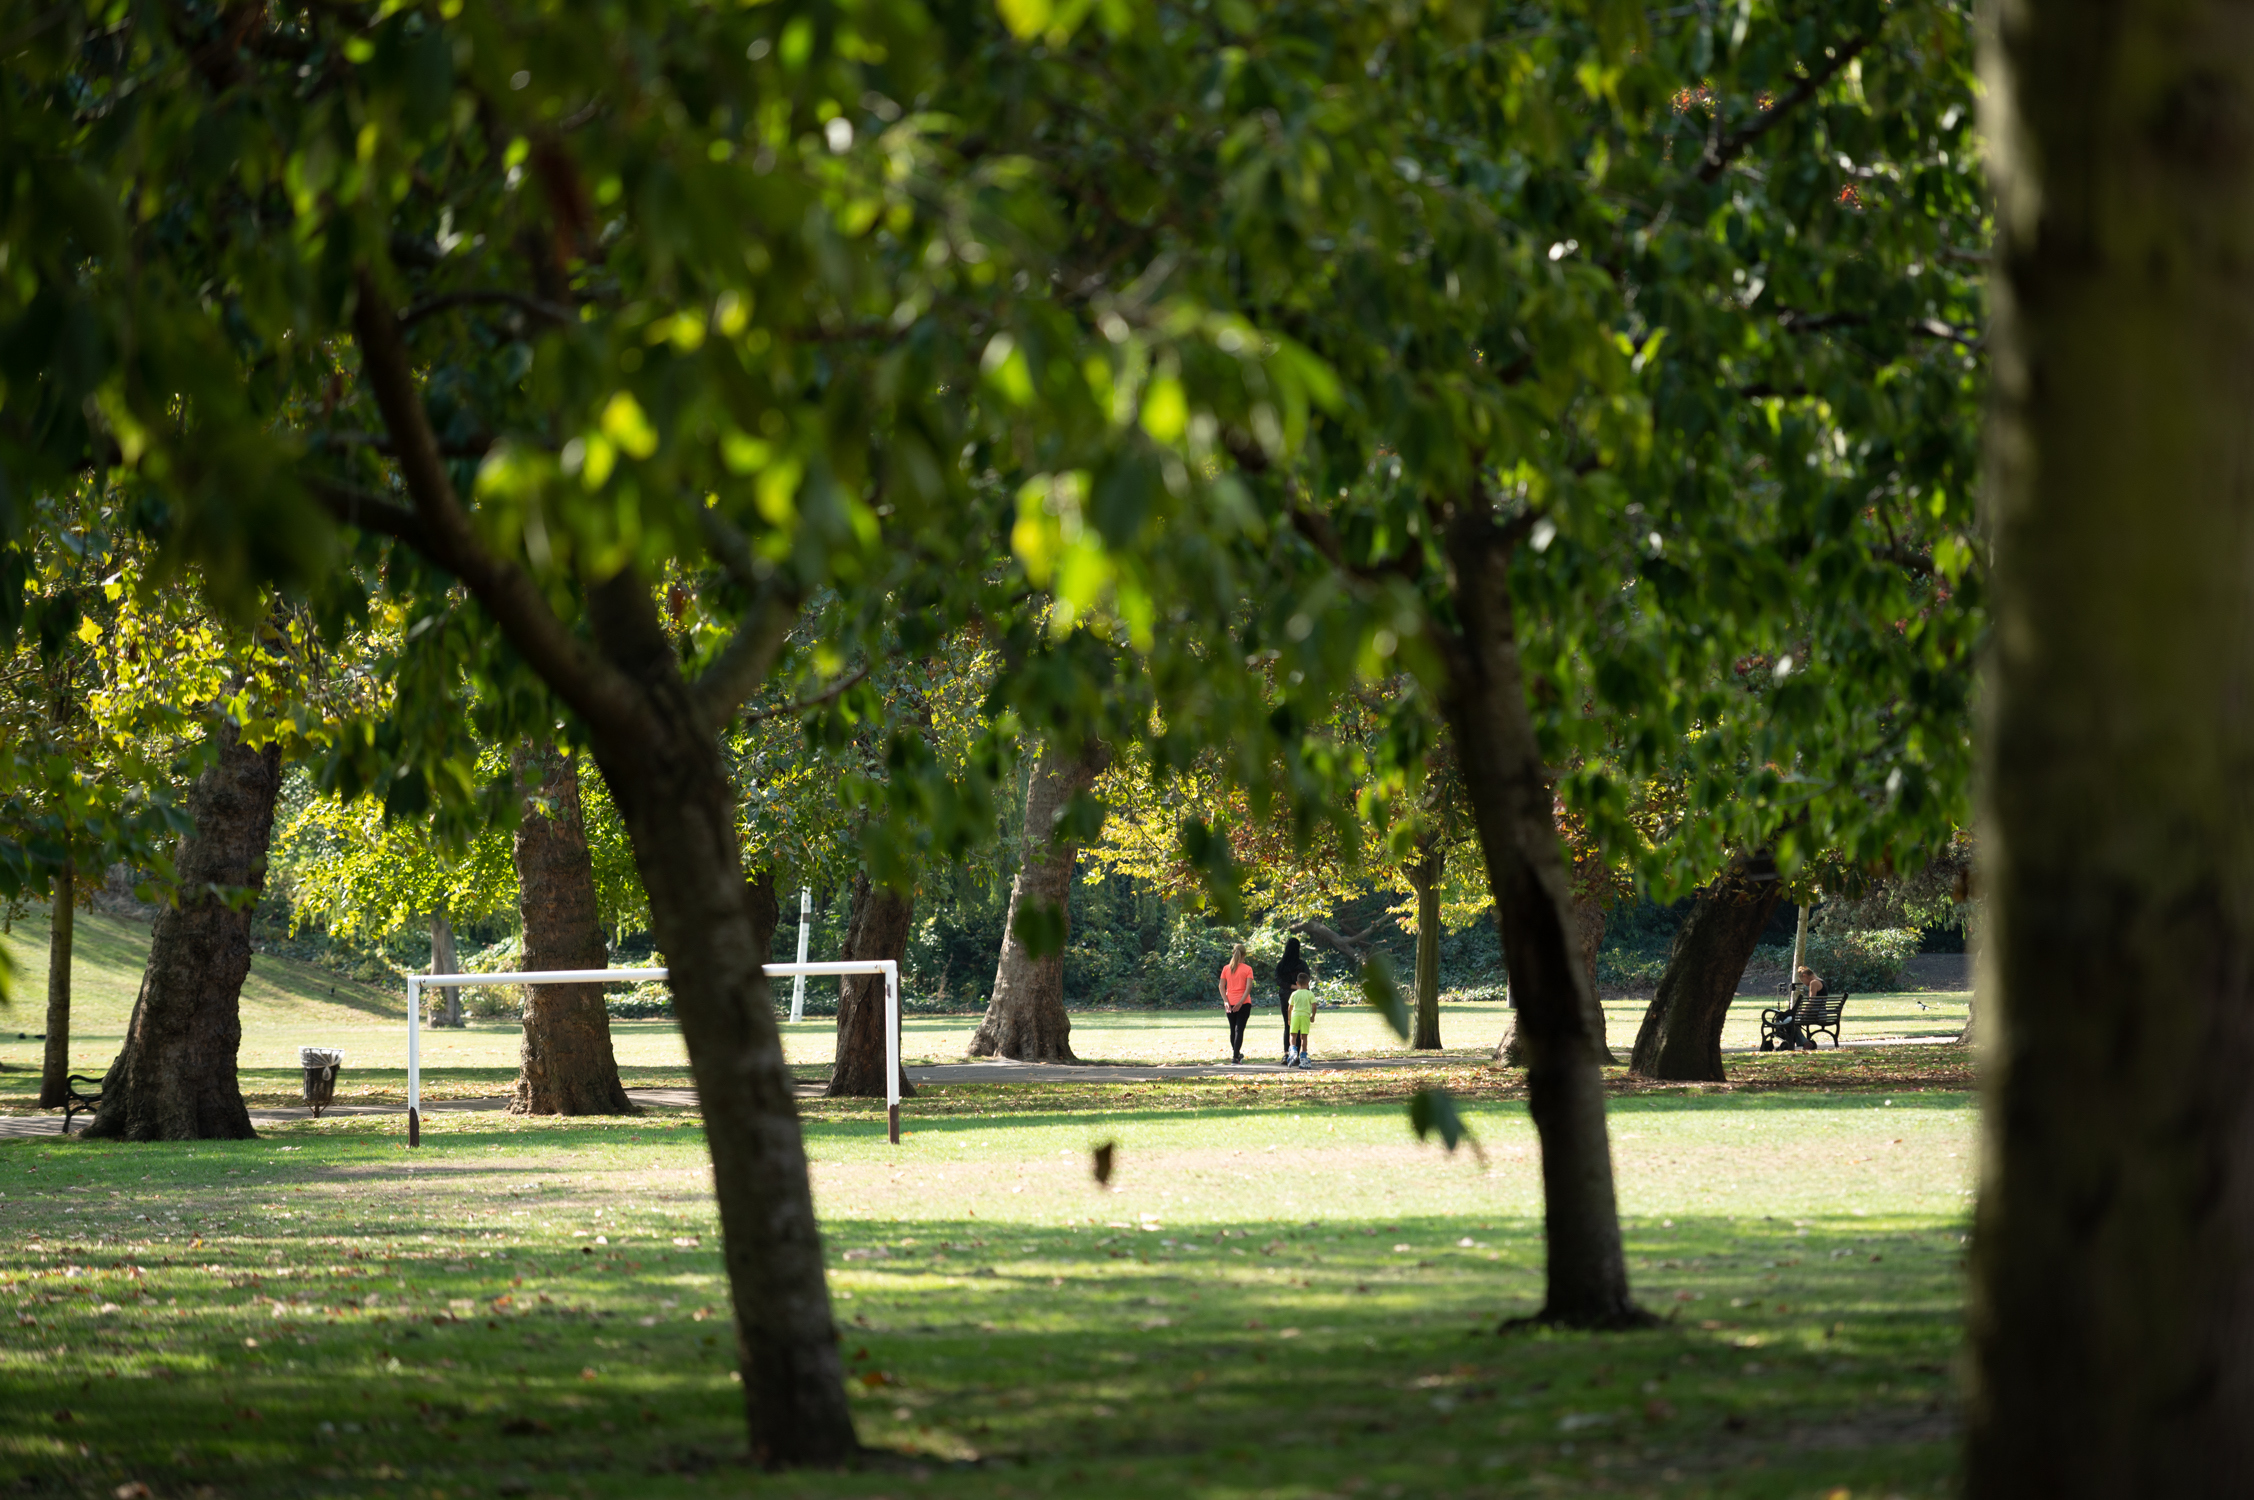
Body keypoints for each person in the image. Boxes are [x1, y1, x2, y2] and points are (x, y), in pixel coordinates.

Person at [1274, 937, 1312, 1065]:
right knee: (1301, 1028)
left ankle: (1287, 1053)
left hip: (1285, 997)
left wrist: (1291, 987)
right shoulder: (1302, 965)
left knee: (1288, 1025)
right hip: (1301, 998)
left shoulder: (1281, 965)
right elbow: (1307, 979)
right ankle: (1299, 1054)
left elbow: (1278, 981)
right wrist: (1299, 987)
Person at [1218, 943, 1256, 1063]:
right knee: (1239, 1029)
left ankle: (1236, 1054)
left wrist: (1226, 1001)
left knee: (1232, 1029)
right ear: (1244, 955)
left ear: (1233, 953)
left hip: (1230, 1002)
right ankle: (1235, 1057)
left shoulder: (1226, 968)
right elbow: (1248, 987)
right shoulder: (1248, 969)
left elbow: (1221, 986)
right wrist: (1241, 1002)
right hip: (1244, 1003)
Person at [1287, 969, 1318, 1067]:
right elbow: (1314, 1006)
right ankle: (1303, 1056)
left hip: (1295, 1016)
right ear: (1308, 983)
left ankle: (1292, 1050)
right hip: (1305, 1016)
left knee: (1293, 1034)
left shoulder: (1294, 994)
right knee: (1303, 1036)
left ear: (1297, 983)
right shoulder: (1309, 994)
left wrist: (1289, 1019)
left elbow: (1289, 1008)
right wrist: (1313, 1016)